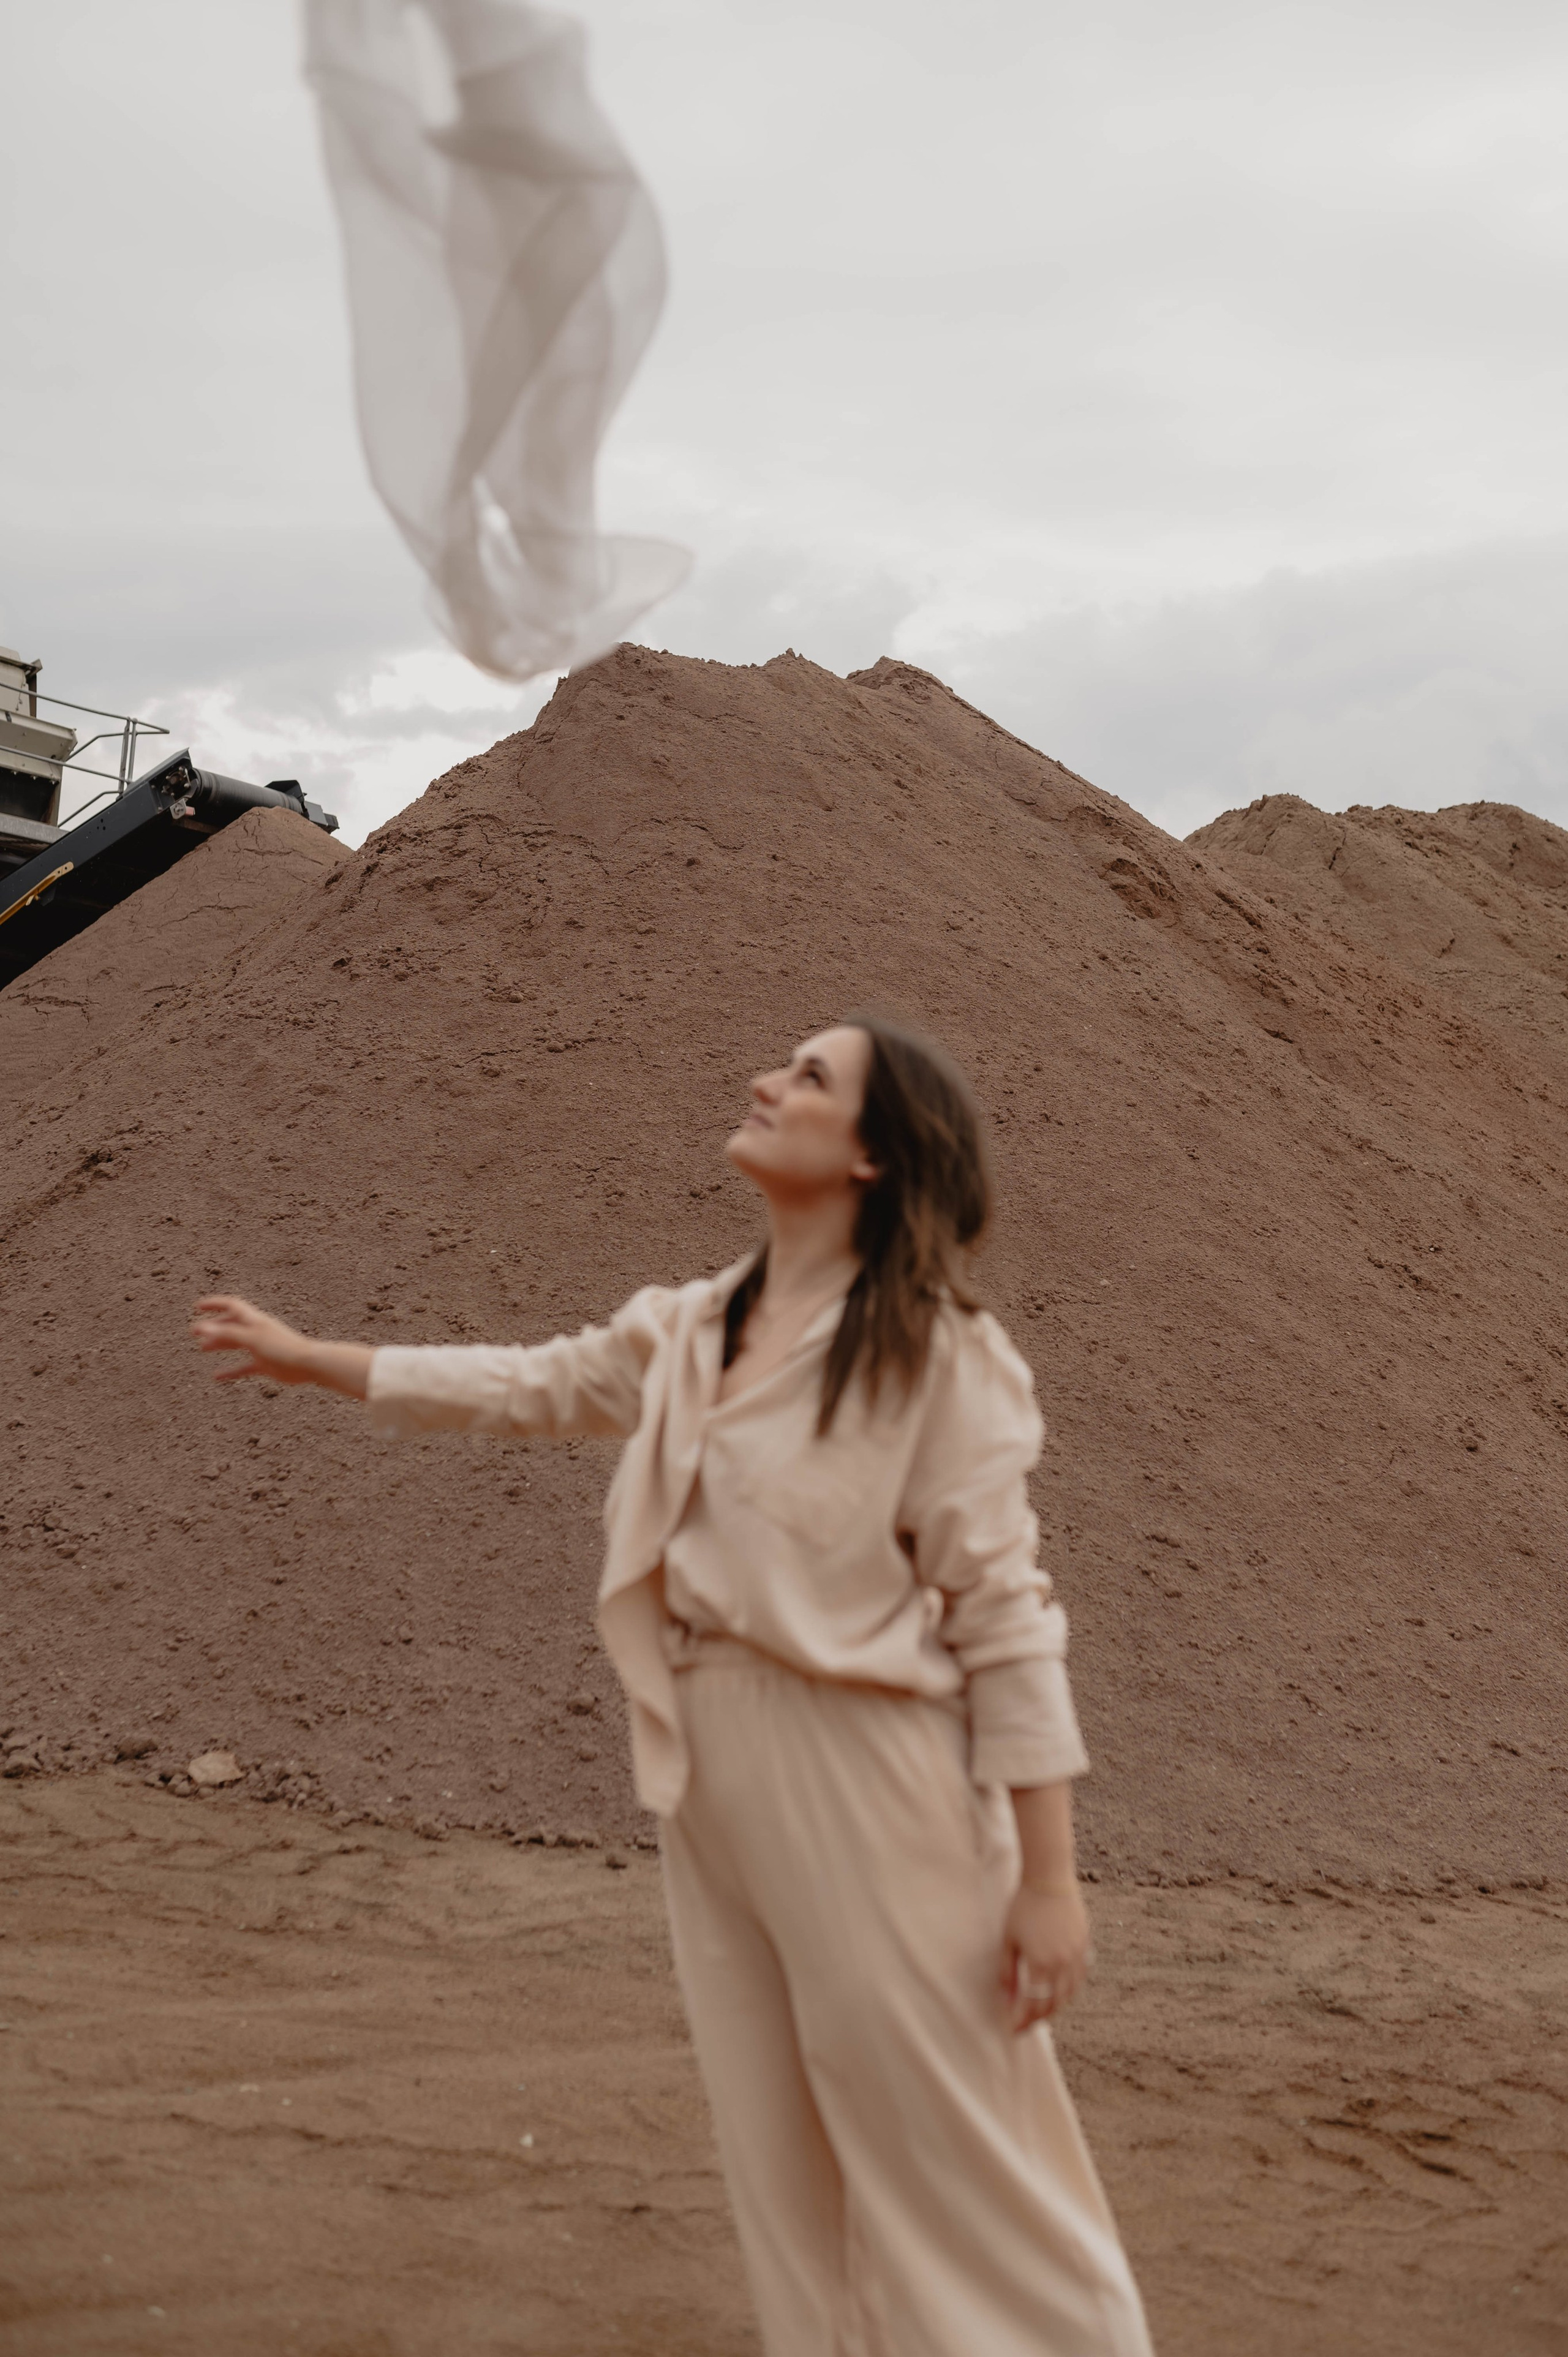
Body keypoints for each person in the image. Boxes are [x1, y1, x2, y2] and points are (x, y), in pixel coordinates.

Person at [190, 1013, 1153, 2357]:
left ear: (876, 1155)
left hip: (874, 1779)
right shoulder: (689, 1331)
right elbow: (522, 1385)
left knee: (961, 2159)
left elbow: (1006, 1620)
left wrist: (1047, 1883)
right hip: (709, 1775)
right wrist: (317, 1363)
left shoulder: (936, 1354)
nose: (765, 1081)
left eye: (808, 1076)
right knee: (782, 2165)